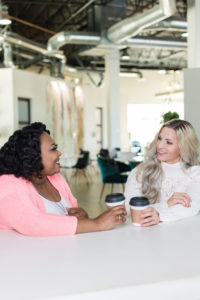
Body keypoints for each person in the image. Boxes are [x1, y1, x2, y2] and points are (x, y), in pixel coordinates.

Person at [0, 122, 126, 236]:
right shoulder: (8, 184)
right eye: (53, 149)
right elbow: (33, 223)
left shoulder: (55, 177)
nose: (59, 153)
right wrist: (97, 223)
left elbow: (71, 220)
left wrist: (83, 217)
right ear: (33, 156)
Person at [124, 119, 200, 226]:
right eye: (159, 139)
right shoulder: (139, 172)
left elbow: (192, 206)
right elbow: (129, 210)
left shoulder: (196, 173)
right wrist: (166, 204)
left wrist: (159, 215)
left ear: (184, 146)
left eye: (169, 142)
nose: (159, 146)